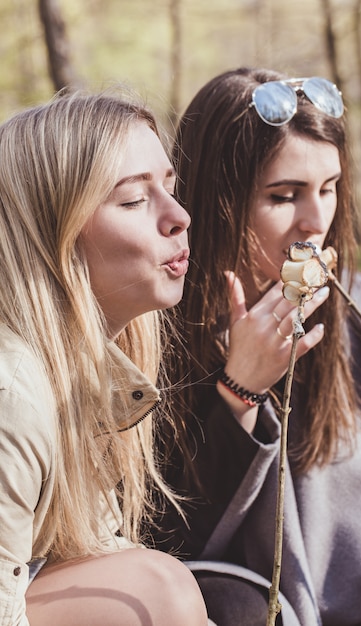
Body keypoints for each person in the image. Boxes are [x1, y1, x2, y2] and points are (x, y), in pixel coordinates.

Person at [148, 67, 361, 626]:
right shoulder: (159, 332)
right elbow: (165, 536)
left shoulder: (358, 304)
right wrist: (238, 391)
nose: (316, 221)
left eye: (329, 187)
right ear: (219, 199)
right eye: (283, 196)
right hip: (236, 602)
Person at [0, 88, 209, 625]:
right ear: (54, 233)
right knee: (157, 592)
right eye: (134, 200)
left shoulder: (88, 367)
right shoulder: (12, 392)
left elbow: (93, 551)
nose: (179, 216)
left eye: (170, 187)